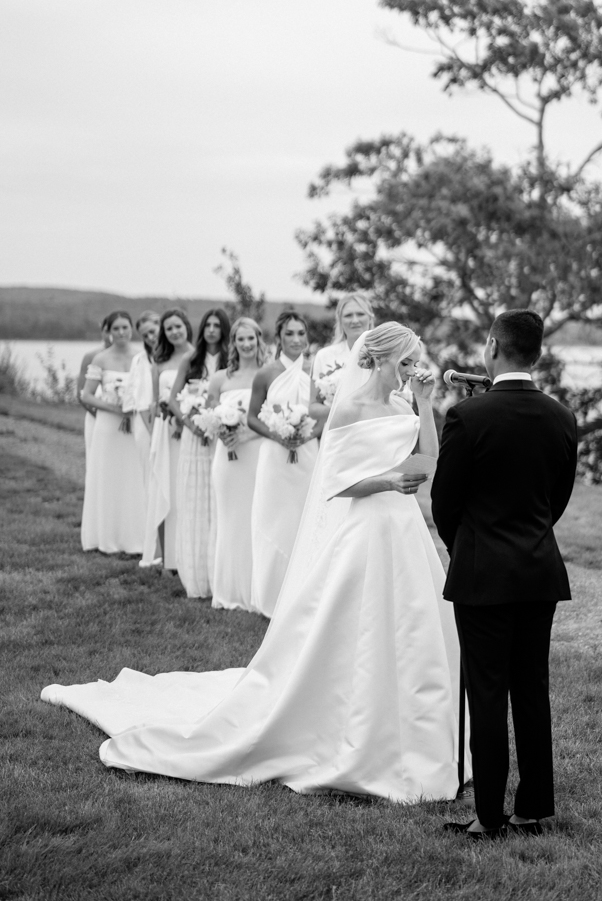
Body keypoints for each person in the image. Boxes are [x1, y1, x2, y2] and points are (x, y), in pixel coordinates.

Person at [41, 323, 466, 802]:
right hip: (365, 530)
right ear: (382, 359)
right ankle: (350, 728)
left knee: (413, 629)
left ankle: (414, 732)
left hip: (405, 532)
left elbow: (428, 459)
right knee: (357, 629)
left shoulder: (404, 404)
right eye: (406, 362)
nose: (413, 370)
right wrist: (387, 482)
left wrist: (426, 405)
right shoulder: (349, 407)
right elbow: (336, 483)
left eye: (415, 362)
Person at [431, 309, 578, 841]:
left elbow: (444, 503)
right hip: (539, 572)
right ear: (535, 353)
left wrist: (465, 547)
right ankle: (532, 810)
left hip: (483, 576)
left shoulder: (468, 417)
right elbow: (554, 501)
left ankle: (488, 817)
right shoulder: (563, 418)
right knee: (531, 691)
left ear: (493, 347)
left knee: (488, 694)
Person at [247, 310, 322, 617]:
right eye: (289, 334)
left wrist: (305, 436)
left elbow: (323, 416)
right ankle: (271, 596)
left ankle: (302, 595)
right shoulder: (266, 373)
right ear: (278, 338)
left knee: (305, 520)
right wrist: (279, 436)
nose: (295, 339)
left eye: (301, 334)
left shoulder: (315, 374)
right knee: (273, 519)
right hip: (275, 456)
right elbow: (252, 417)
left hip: (307, 454)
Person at [168, 308, 231, 599]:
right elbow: (173, 400)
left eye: (218, 325)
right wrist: (191, 425)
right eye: (208, 325)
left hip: (221, 437)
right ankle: (195, 574)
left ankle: (221, 571)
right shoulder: (190, 360)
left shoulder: (231, 362)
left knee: (219, 500)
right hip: (194, 439)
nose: (212, 330)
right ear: (202, 328)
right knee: (195, 500)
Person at [207, 317, 266, 610]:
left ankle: (257, 590)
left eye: (250, 339)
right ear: (233, 343)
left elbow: (268, 419)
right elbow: (205, 417)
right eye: (240, 339)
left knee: (257, 518)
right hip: (227, 459)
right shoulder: (220, 379)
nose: (245, 344)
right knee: (230, 520)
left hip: (256, 455)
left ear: (258, 340)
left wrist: (244, 434)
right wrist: (222, 430)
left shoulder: (267, 375)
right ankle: (228, 591)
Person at [79, 311, 148, 555]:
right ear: (108, 331)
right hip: (108, 426)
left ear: (132, 330)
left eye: (125, 328)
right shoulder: (100, 359)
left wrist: (132, 408)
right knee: (107, 476)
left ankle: (134, 536)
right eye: (116, 328)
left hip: (134, 424)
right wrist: (116, 408)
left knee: (133, 476)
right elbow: (85, 395)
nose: (121, 333)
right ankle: (105, 536)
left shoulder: (141, 358)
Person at [140, 309, 194, 571]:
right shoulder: (158, 362)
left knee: (186, 491)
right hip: (164, 431)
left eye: (178, 326)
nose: (174, 332)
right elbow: (152, 402)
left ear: (186, 327)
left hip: (189, 430)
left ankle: (189, 556)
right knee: (164, 488)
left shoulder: (197, 357)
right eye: (169, 328)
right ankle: (166, 559)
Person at [310, 292, 374, 412]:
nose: (355, 320)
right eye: (348, 315)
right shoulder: (324, 356)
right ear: (340, 320)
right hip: (335, 427)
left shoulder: (384, 353)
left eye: (360, 314)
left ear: (370, 318)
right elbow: (313, 407)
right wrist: (340, 411)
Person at [129, 311, 161, 491]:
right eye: (145, 335)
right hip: (145, 422)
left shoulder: (179, 358)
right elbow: (140, 400)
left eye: (152, 331)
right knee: (150, 475)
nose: (150, 337)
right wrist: (153, 431)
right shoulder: (140, 361)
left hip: (171, 421)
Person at [77, 316, 113, 458]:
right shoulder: (91, 356)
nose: (110, 335)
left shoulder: (133, 357)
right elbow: (80, 393)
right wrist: (99, 416)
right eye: (106, 331)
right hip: (96, 415)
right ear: (102, 332)